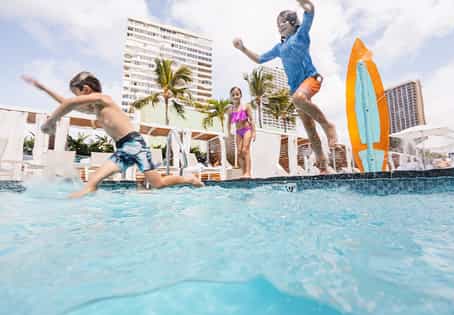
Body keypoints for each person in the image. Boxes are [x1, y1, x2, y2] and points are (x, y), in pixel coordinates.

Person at [22, 72, 203, 198]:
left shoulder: (104, 99)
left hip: (133, 144)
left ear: (85, 90)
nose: (77, 99)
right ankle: (189, 179)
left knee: (97, 181)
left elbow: (69, 103)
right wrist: (44, 89)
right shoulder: (96, 109)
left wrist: (50, 122)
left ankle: (73, 208)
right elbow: (67, 103)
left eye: (77, 94)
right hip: (129, 146)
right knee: (156, 183)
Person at [233, 0, 337, 173]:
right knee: (309, 128)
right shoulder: (280, 48)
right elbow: (260, 59)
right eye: (277, 24)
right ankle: (323, 165)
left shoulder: (301, 35)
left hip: (312, 78)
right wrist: (243, 48)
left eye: (283, 22)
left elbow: (310, 12)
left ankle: (328, 125)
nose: (279, 26)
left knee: (298, 99)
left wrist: (305, 4)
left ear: (293, 23)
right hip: (296, 88)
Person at [227, 87, 256, 178]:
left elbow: (252, 119)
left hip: (247, 130)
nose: (235, 96)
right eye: (233, 95)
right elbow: (228, 122)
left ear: (241, 95)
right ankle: (244, 173)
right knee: (239, 152)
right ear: (231, 97)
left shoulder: (246, 106)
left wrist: (254, 132)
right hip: (238, 132)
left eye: (237, 94)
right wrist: (228, 133)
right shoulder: (230, 109)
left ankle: (248, 172)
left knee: (245, 150)